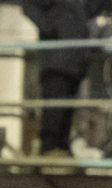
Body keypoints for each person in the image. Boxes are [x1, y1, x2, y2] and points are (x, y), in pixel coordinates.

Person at [22, 0, 90, 156]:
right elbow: (28, 5)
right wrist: (49, 27)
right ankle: (50, 148)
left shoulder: (75, 6)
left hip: (74, 62)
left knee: (65, 111)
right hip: (57, 62)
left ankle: (60, 147)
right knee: (54, 109)